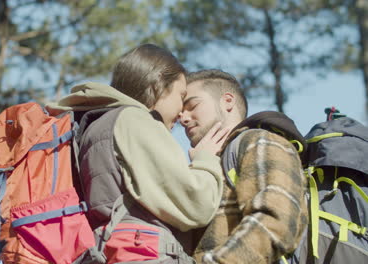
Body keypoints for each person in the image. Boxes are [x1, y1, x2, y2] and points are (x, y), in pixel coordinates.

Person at [45, 44, 224, 263]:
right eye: (181, 95)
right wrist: (205, 160)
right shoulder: (135, 120)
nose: (181, 112)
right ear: (158, 84)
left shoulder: (95, 123)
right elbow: (196, 204)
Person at [179, 69, 308, 264]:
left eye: (193, 105)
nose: (183, 118)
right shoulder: (207, 162)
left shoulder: (258, 141)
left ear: (227, 101)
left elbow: (276, 222)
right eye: (180, 112)